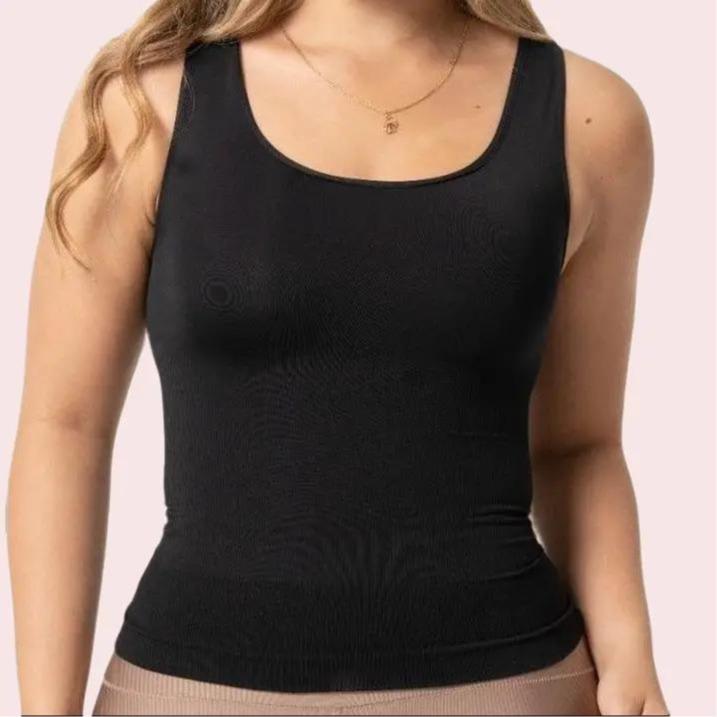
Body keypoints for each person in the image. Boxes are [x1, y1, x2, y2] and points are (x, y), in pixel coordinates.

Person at [7, 0, 669, 714]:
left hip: (511, 688)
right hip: (190, 689)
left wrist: (629, 660)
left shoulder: (587, 119)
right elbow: (65, 427)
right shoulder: (146, 101)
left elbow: (578, 445)